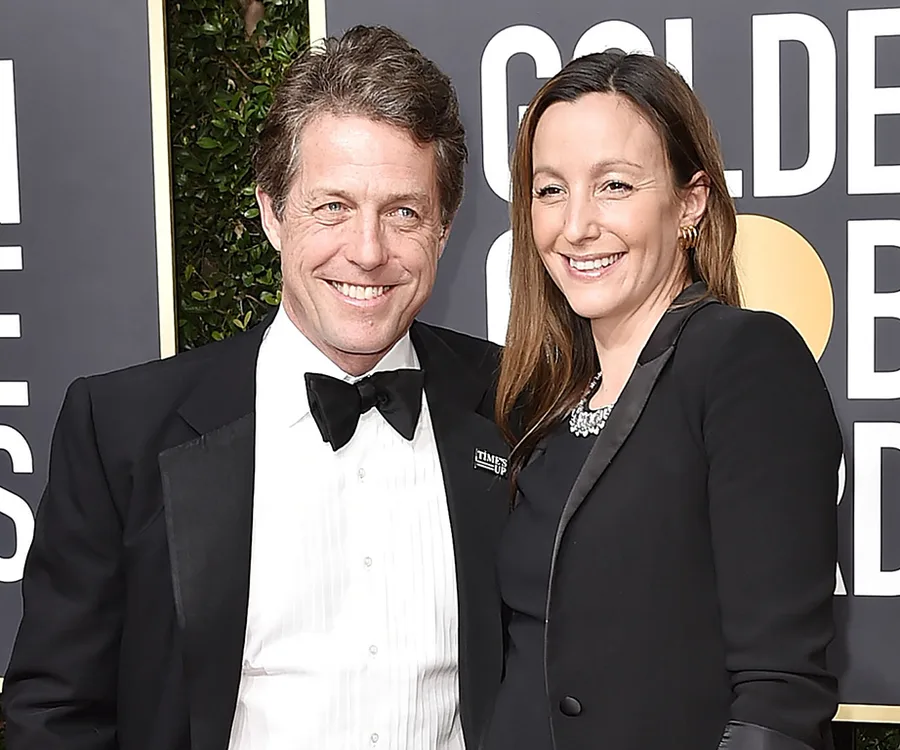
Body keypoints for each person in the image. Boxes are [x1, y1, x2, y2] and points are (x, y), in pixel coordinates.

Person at [3, 25, 509, 750]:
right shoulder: (122, 431)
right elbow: (55, 715)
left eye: (403, 212)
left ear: (444, 227)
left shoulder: (515, 405)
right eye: (332, 206)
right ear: (272, 211)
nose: (367, 252)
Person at [484, 50, 841, 750]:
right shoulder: (539, 400)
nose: (576, 225)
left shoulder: (745, 363)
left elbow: (778, 693)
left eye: (613, 185)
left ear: (690, 200)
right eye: (549, 189)